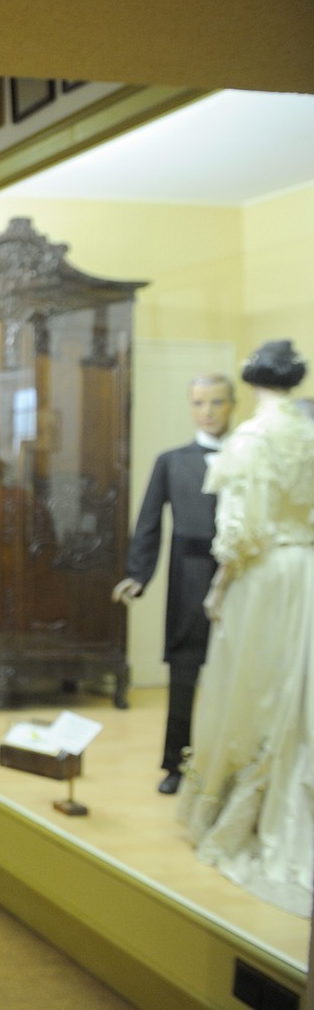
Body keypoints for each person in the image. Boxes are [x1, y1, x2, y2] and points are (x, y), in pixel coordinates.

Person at [178, 340, 314, 916]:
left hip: (264, 575)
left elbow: (239, 530)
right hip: (306, 569)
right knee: (297, 690)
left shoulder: (253, 438)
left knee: (251, 687)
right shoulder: (309, 432)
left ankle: (239, 810)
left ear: (251, 383)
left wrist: (220, 583)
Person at [112, 373, 234, 794]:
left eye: (217, 402)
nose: (208, 411)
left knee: (239, 672)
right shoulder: (172, 461)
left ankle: (233, 768)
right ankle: (175, 765)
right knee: (184, 671)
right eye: (199, 402)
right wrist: (138, 574)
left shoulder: (249, 457)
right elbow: (149, 522)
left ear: (232, 404)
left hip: (240, 577)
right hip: (189, 579)